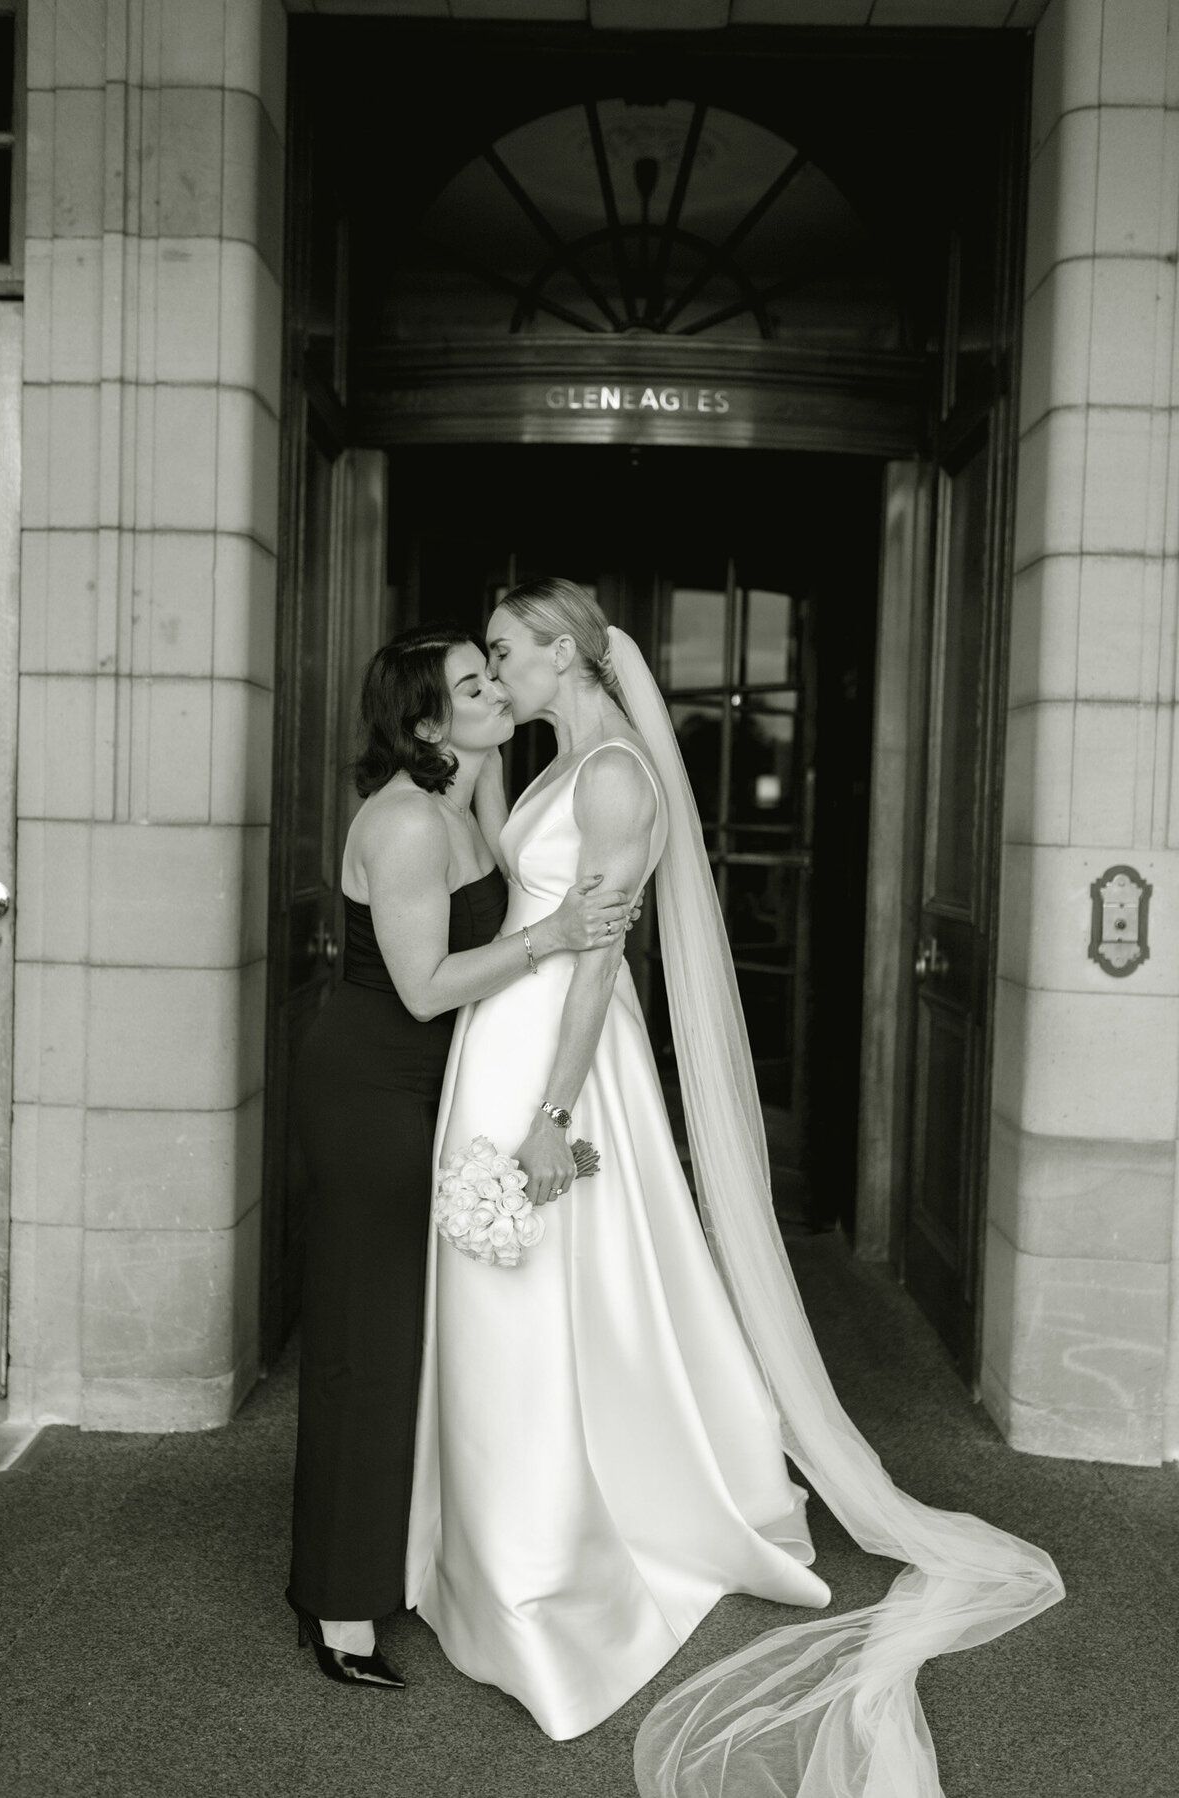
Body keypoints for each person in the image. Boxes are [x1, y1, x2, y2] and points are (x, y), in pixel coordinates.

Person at [406, 583, 1064, 1795]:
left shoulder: (614, 780)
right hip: (502, 1038)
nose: (494, 673)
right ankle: (494, 1552)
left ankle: (543, 1572)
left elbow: (597, 962)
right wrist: (472, 749)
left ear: (564, 653)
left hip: (555, 1057)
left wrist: (553, 1119)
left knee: (544, 1295)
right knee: (545, 1300)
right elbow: (515, 866)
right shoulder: (561, 761)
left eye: (505, 652)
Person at [286, 624, 632, 1689]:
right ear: (425, 719)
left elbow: (523, 843)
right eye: (472, 685)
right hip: (373, 1094)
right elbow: (427, 986)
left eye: (494, 674)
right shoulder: (400, 821)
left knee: (417, 1339)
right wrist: (555, 934)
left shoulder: (465, 795)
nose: (495, 689)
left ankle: (405, 1562)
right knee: (367, 1337)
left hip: (435, 1089)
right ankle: (337, 1606)